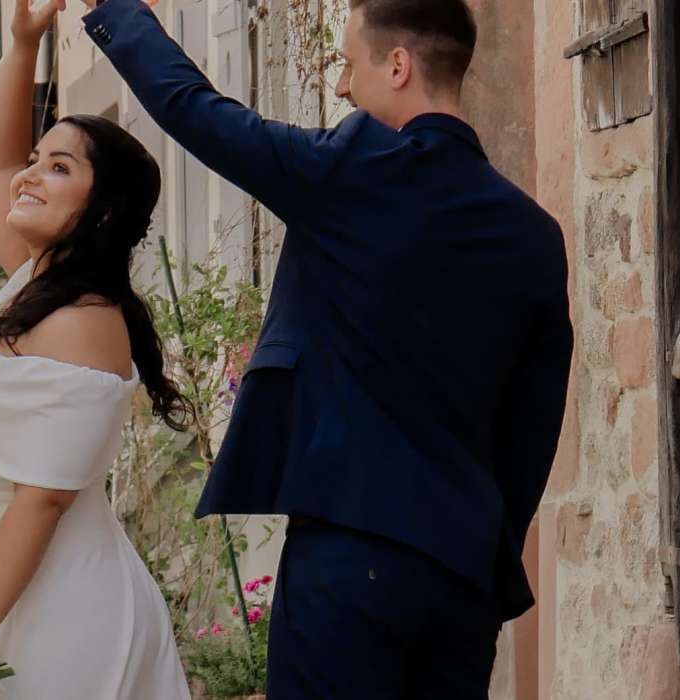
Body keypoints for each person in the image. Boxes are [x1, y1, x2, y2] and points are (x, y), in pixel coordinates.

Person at [78, 0, 574, 696]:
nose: (340, 86)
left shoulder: (350, 170)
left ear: (397, 66)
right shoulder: (534, 234)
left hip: (349, 555)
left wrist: (118, 12)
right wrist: (485, 547)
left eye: (348, 64)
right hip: (461, 574)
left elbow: (197, 111)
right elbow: (533, 427)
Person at [0, 2, 192, 698]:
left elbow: (42, 498)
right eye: (36, 160)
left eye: (59, 167)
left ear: (103, 209)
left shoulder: (82, 320)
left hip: (57, 609)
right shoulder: (35, 283)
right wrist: (23, 44)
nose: (29, 175)